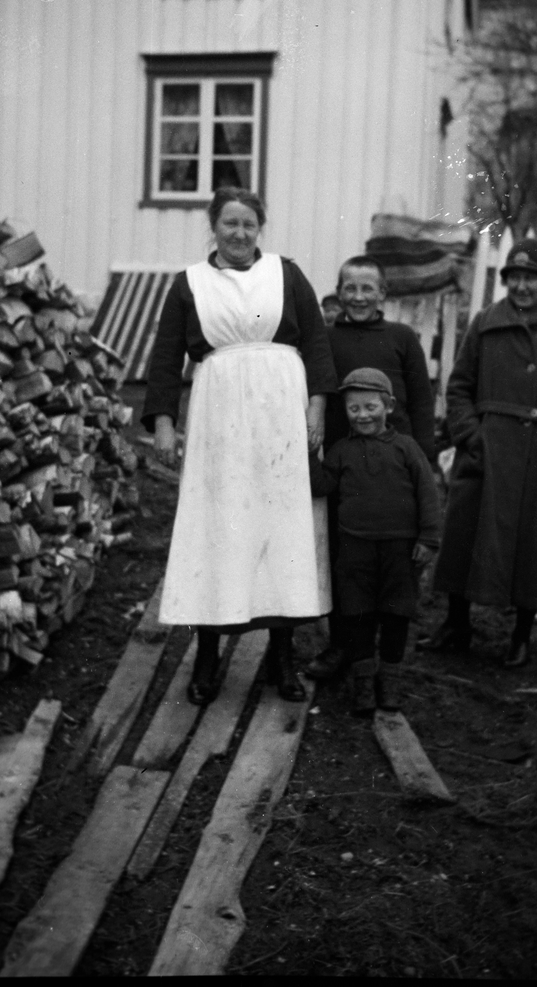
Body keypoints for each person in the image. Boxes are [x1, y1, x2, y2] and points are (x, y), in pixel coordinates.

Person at [142, 187, 337, 704]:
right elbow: (165, 359)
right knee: (218, 527)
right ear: (214, 226)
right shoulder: (189, 284)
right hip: (218, 414)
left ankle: (283, 655)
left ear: (260, 228)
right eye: (229, 223)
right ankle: (207, 658)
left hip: (281, 411)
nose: (239, 233)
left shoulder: (286, 274)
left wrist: (316, 409)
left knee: (282, 527)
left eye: (249, 224)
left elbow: (316, 343)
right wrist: (164, 422)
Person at [418, 238, 537, 666]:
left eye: (530, 278)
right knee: (466, 535)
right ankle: (456, 624)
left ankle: (521, 634)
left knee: (535, 545)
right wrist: (470, 436)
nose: (521, 286)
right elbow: (458, 387)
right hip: (488, 452)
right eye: (514, 277)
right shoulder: (483, 324)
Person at [306, 255, 436, 681]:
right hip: (343, 465)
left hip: (393, 469)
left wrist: (424, 458)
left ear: (383, 293)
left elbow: (420, 399)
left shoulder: (402, 337)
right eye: (350, 288)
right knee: (346, 561)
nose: (358, 297)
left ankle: (388, 655)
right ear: (339, 292)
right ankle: (343, 644)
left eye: (368, 289)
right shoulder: (324, 338)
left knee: (394, 563)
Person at [309, 368, 440, 714]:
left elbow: (428, 494)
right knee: (358, 617)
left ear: (389, 407)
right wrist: (309, 453)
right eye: (354, 409)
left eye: (371, 407)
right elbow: (321, 486)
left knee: (397, 615)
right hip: (355, 550)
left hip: (400, 551)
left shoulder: (407, 449)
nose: (363, 415)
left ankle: (390, 684)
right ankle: (364, 685)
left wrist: (428, 539)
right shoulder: (340, 451)